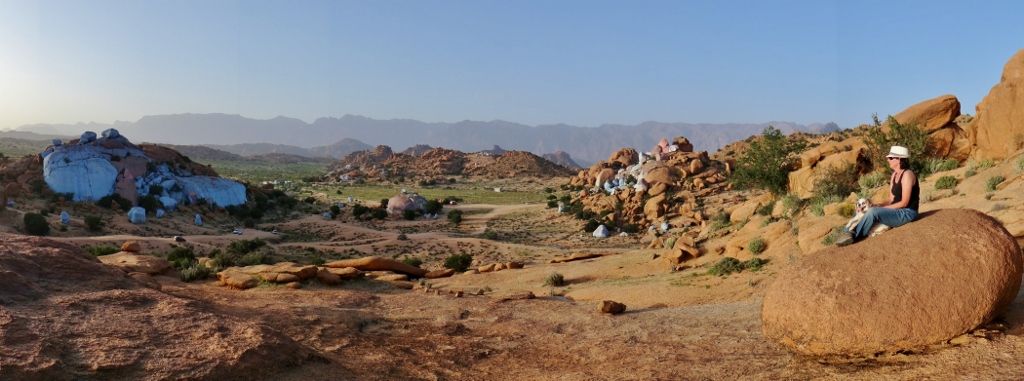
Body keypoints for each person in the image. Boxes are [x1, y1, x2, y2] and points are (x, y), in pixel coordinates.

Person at [835, 145, 920, 247]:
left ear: (898, 159)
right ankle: (846, 232)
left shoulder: (907, 175)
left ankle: (854, 235)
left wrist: (879, 209)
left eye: (890, 158)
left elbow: (904, 203)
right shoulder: (894, 175)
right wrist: (879, 205)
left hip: (907, 212)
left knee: (873, 212)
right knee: (862, 210)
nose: (888, 160)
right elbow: (891, 199)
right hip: (897, 210)